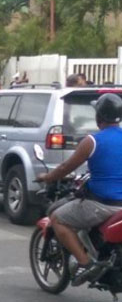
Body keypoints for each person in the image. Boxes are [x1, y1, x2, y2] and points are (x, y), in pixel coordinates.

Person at [37, 93, 122, 287]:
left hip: (102, 204)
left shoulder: (92, 141)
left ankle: (85, 263)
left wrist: (47, 177)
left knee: (58, 218)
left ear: (99, 116)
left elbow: (66, 167)